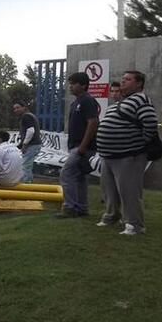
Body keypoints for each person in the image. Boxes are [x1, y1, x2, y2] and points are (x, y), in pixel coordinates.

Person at [96, 70, 159, 235]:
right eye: (122, 79)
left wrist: (138, 144)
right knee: (109, 190)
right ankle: (112, 216)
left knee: (129, 191)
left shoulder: (141, 99)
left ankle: (135, 225)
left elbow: (151, 123)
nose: (123, 82)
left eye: (128, 79)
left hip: (129, 155)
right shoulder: (120, 103)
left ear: (139, 83)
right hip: (109, 156)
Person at [56, 72, 99, 218]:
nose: (70, 86)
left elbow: (92, 123)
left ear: (83, 85)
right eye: (70, 83)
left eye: (73, 83)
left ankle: (70, 207)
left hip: (82, 147)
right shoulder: (76, 102)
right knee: (79, 177)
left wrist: (83, 146)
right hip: (77, 146)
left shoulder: (87, 100)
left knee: (66, 174)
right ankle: (81, 208)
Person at [12, 101, 42, 183]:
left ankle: (26, 185)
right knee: (27, 165)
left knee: (25, 165)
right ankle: (29, 183)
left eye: (18, 107)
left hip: (31, 145)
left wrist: (24, 144)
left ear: (24, 107)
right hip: (34, 144)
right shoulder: (30, 116)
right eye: (14, 109)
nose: (16, 110)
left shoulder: (26, 116)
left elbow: (31, 131)